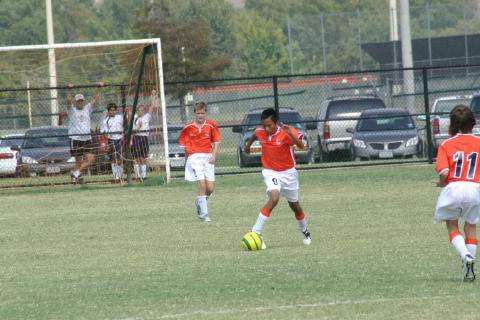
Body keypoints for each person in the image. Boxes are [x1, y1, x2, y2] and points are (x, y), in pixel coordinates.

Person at [244, 108, 311, 249]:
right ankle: (256, 232)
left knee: (295, 206)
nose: (266, 128)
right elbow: (253, 138)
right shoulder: (259, 132)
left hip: (288, 173)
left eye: (269, 125)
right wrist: (248, 147)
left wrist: (290, 134)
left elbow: (302, 146)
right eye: (264, 125)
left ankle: (304, 230)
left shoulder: (287, 131)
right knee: (274, 198)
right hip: (270, 172)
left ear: (276, 123)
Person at [434, 104, 480, 282]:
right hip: (475, 188)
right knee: (471, 226)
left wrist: (440, 184)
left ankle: (465, 256)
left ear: (452, 124)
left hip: (454, 188)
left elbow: (445, 173)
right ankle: (470, 266)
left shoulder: (446, 144)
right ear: (473, 123)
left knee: (452, 225)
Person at [178, 101, 221, 222]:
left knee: (210, 188)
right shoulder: (188, 127)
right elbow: (186, 147)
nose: (200, 116)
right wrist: (187, 161)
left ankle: (200, 201)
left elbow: (217, 143)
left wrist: (214, 156)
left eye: (202, 113)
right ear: (194, 113)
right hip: (195, 157)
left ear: (206, 112)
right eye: (198, 113)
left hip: (208, 157)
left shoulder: (211, 125)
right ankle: (204, 215)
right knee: (201, 183)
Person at [66, 82, 103, 183]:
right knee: (78, 160)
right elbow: (68, 101)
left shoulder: (87, 108)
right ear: (75, 102)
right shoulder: (72, 110)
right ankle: (78, 177)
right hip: (76, 138)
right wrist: (69, 89)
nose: (80, 103)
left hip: (87, 138)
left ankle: (75, 173)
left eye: (81, 101)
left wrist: (98, 88)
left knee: (91, 160)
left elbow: (95, 99)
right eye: (78, 101)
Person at [100, 102, 124, 183]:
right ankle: (116, 177)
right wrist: (107, 142)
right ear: (108, 111)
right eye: (111, 110)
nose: (113, 112)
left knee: (119, 159)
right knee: (113, 159)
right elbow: (104, 132)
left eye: (114, 110)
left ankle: (121, 175)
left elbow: (125, 125)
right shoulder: (105, 121)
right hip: (111, 140)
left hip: (119, 139)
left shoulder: (120, 117)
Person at [132, 105, 152, 181]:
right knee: (136, 158)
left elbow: (151, 107)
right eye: (139, 110)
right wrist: (138, 128)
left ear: (144, 111)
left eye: (142, 110)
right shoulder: (134, 117)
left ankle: (144, 176)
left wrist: (153, 97)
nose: (140, 112)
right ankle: (137, 176)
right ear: (137, 111)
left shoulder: (146, 116)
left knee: (143, 158)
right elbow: (133, 131)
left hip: (144, 137)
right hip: (136, 137)